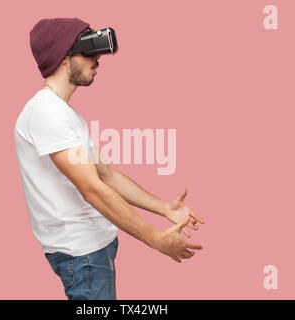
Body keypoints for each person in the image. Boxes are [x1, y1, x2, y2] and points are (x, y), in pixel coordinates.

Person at [14, 17, 205, 300]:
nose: (98, 61)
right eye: (89, 52)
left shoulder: (65, 114)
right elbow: (92, 189)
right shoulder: (46, 113)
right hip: (82, 256)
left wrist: (164, 207)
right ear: (63, 58)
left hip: (94, 251)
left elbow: (106, 175)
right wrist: (156, 239)